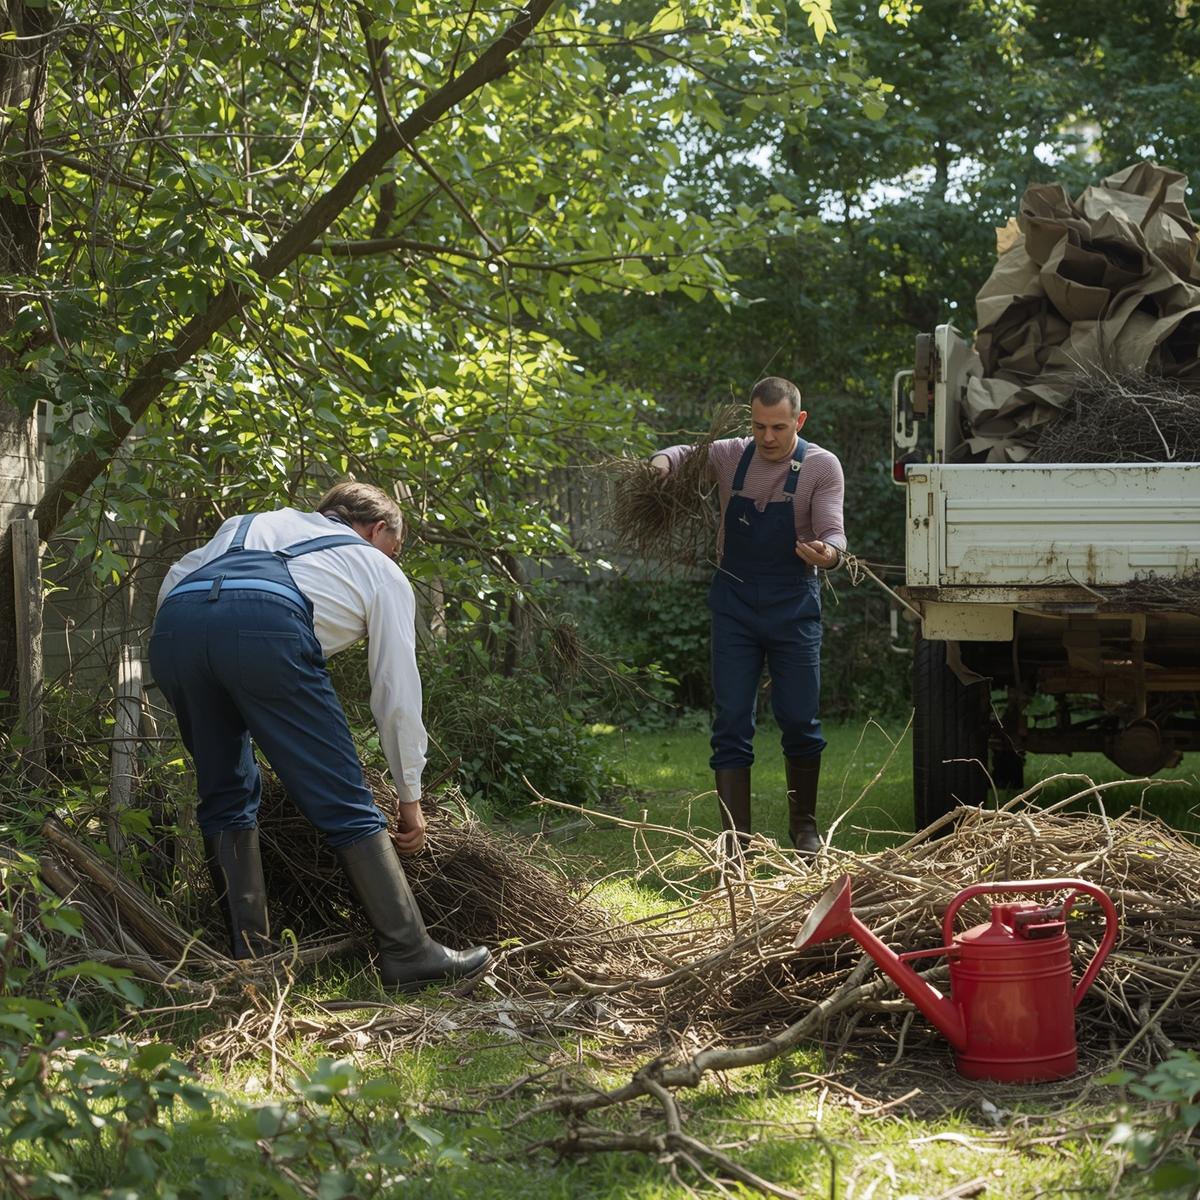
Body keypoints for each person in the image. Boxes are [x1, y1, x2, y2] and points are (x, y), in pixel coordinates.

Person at [149, 481, 491, 990]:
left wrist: (198, 655)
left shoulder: (249, 525)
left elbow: (176, 579)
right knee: (343, 797)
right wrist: (410, 799)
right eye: (393, 549)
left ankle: (253, 967)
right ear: (377, 531)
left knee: (223, 796)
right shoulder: (376, 567)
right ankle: (409, 953)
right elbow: (396, 692)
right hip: (264, 626)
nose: (391, 558)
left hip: (175, 625)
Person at [652, 377, 846, 855]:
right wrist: (658, 465)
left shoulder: (821, 466)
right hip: (734, 605)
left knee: (800, 719)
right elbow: (680, 454)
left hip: (793, 604)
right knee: (731, 720)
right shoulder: (730, 454)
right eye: (759, 426)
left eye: (779, 427)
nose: (768, 437)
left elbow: (835, 533)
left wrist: (827, 554)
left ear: (799, 421)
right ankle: (735, 841)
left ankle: (804, 828)